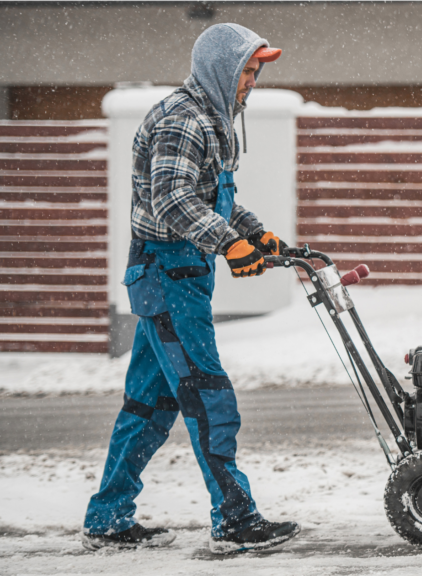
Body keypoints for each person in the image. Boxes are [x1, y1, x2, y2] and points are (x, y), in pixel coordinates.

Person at [82, 23, 299, 554]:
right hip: (168, 275)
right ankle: (236, 517)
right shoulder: (183, 120)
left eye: (255, 72)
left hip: (177, 276)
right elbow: (173, 201)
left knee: (148, 405)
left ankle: (108, 516)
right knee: (208, 395)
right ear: (221, 70)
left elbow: (213, 196)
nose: (251, 81)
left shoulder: (211, 118)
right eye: (246, 71)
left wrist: (252, 232)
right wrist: (229, 244)